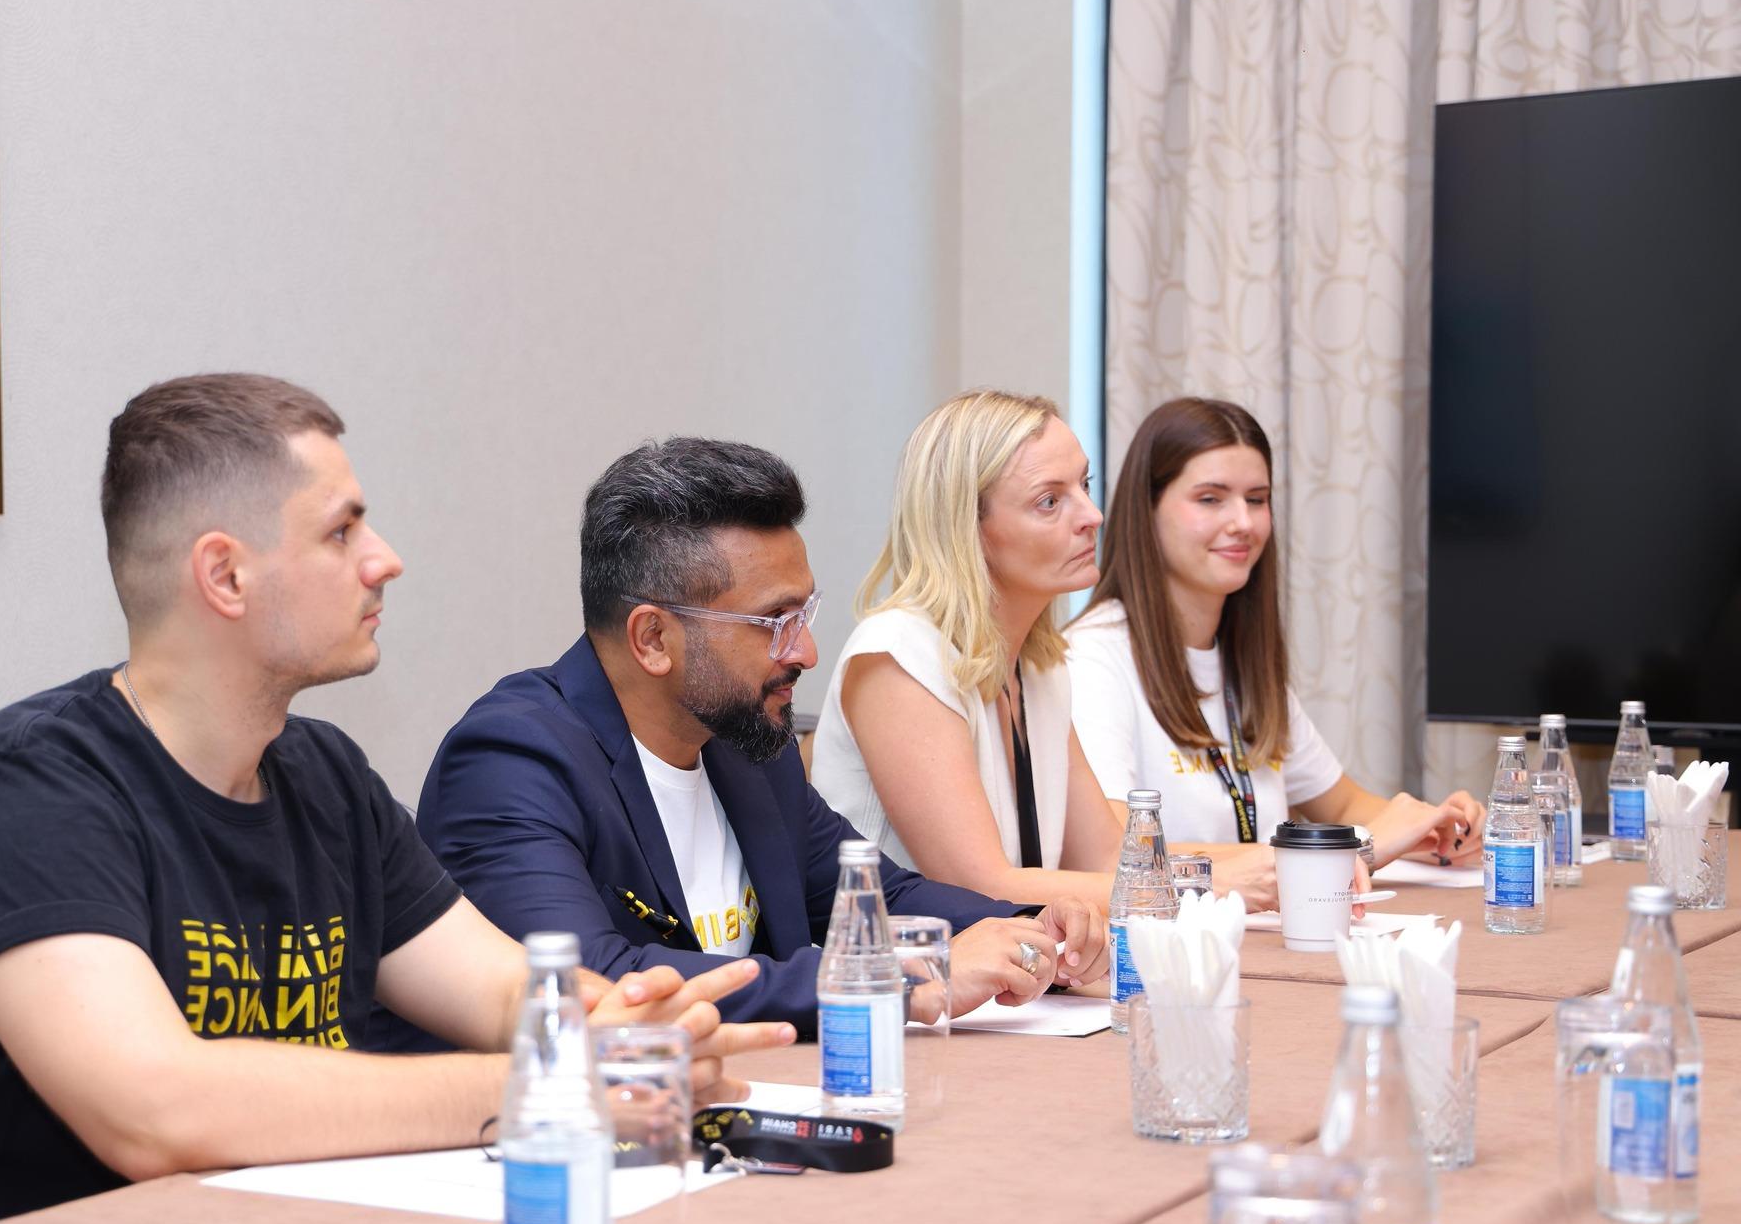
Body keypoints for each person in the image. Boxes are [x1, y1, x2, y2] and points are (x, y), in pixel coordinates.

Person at [0, 375, 788, 1224]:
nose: (385, 560)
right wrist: (553, 1082)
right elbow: (155, 1110)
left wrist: (640, 1033)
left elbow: (503, 994)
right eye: (341, 532)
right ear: (225, 577)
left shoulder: (325, 777)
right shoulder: (31, 788)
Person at [416, 437, 1109, 1031]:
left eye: (804, 614)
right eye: (775, 622)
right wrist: (898, 979)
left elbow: (881, 897)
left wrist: (1033, 927)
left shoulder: (745, 746)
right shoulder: (512, 760)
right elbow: (593, 980)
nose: (806, 651)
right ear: (652, 638)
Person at [1064, 396, 1483, 899]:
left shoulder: (1241, 658)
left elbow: (1344, 806)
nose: (1243, 522)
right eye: (1211, 499)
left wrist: (1436, 827)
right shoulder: (1093, 658)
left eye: (1257, 499)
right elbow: (1118, 852)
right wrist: (1356, 846)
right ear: (1146, 511)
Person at [810, 390, 1126, 921]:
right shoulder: (897, 654)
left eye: (1085, 485)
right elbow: (981, 888)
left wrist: (1218, 885)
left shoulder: (1040, 667)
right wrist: (1195, 891)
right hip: (894, 970)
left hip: (1012, 963)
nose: (1092, 516)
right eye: (1050, 501)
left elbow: (1107, 859)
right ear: (966, 529)